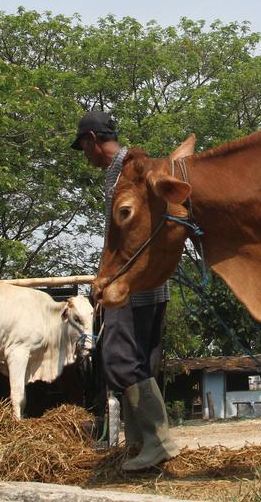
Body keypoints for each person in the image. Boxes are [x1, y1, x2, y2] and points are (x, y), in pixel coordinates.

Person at [72, 110, 179, 470]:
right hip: (152, 287)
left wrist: (110, 278)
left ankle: (156, 441)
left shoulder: (129, 171)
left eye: (82, 146)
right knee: (142, 364)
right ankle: (141, 448)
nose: (83, 154)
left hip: (130, 287)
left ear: (91, 139)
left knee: (118, 357)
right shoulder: (125, 169)